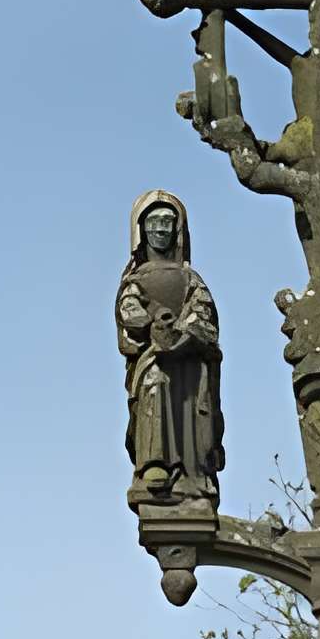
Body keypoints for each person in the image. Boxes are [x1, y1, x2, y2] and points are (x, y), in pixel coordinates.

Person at [116, 191, 223, 507]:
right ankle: (155, 464)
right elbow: (128, 312)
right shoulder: (134, 281)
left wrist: (183, 331)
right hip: (153, 356)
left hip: (189, 357)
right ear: (142, 230)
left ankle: (196, 472)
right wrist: (153, 324)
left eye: (167, 221)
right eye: (154, 222)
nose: (161, 228)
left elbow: (204, 313)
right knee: (155, 381)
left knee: (196, 399)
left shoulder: (191, 279)